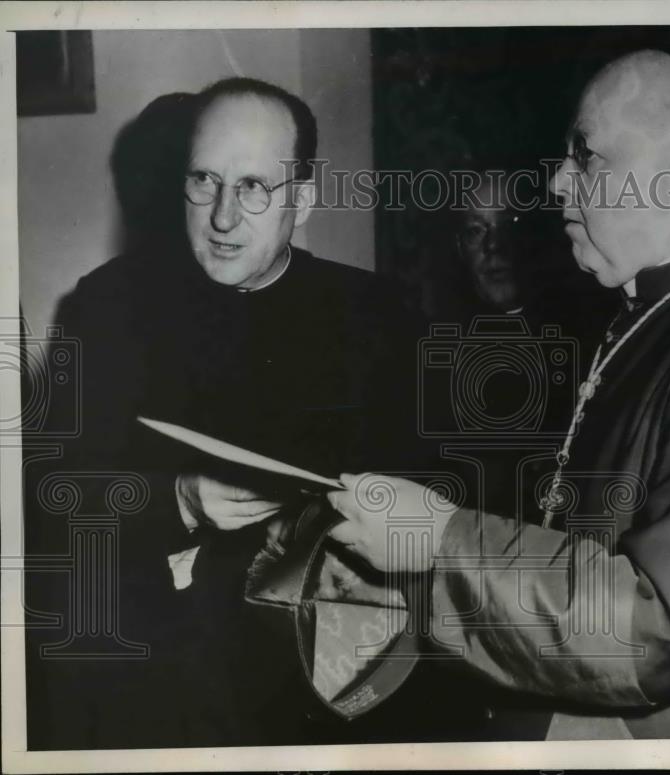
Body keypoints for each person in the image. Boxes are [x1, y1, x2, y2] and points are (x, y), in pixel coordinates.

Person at [324, 49, 670, 739]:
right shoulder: (669, 314)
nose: (556, 182)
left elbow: (657, 624)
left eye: (586, 156)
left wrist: (438, 538)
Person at [26, 78, 422, 748]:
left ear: (303, 198)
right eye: (204, 180)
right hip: (145, 685)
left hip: (313, 688)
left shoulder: (378, 317)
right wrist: (176, 500)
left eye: (253, 188)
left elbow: (427, 517)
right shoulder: (105, 307)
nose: (221, 217)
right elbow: (49, 497)